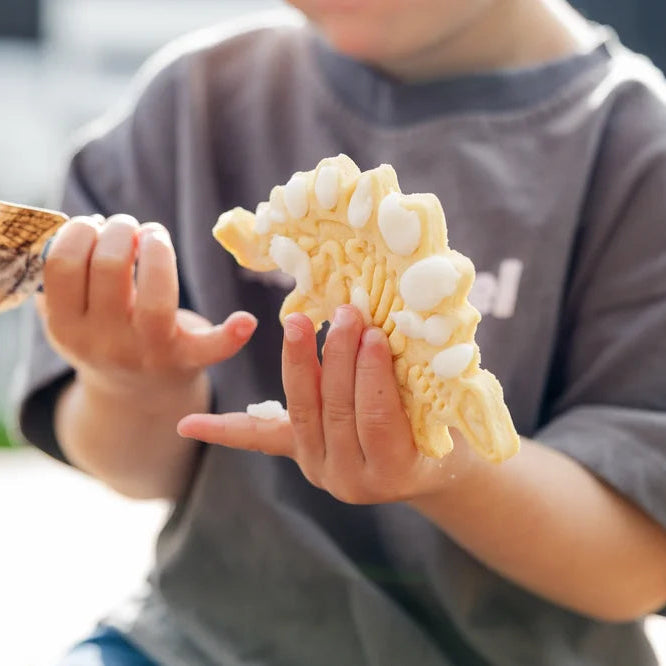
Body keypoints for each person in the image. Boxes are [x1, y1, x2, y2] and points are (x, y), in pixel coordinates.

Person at [16, 0, 666, 664]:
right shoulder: (192, 102)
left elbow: (640, 566)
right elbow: (138, 470)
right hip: (199, 641)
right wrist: (131, 384)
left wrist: (445, 465)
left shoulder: (638, 153)